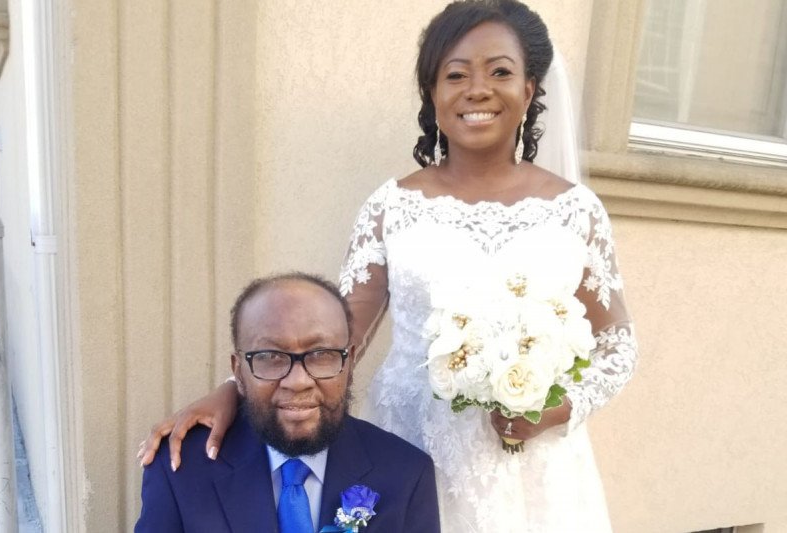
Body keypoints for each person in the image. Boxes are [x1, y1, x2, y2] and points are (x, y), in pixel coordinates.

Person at [139, 1, 638, 531]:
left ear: (530, 89)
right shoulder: (393, 207)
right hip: (418, 446)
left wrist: (559, 407)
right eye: (455, 74)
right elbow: (338, 331)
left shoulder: (575, 210)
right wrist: (233, 389)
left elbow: (617, 342)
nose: (477, 89)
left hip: (533, 465)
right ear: (432, 93)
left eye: (500, 71)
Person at [135, 273, 440, 532]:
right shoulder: (182, 469)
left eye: (321, 354)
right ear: (238, 371)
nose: (298, 381)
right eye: (270, 357)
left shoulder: (405, 474)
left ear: (348, 362)